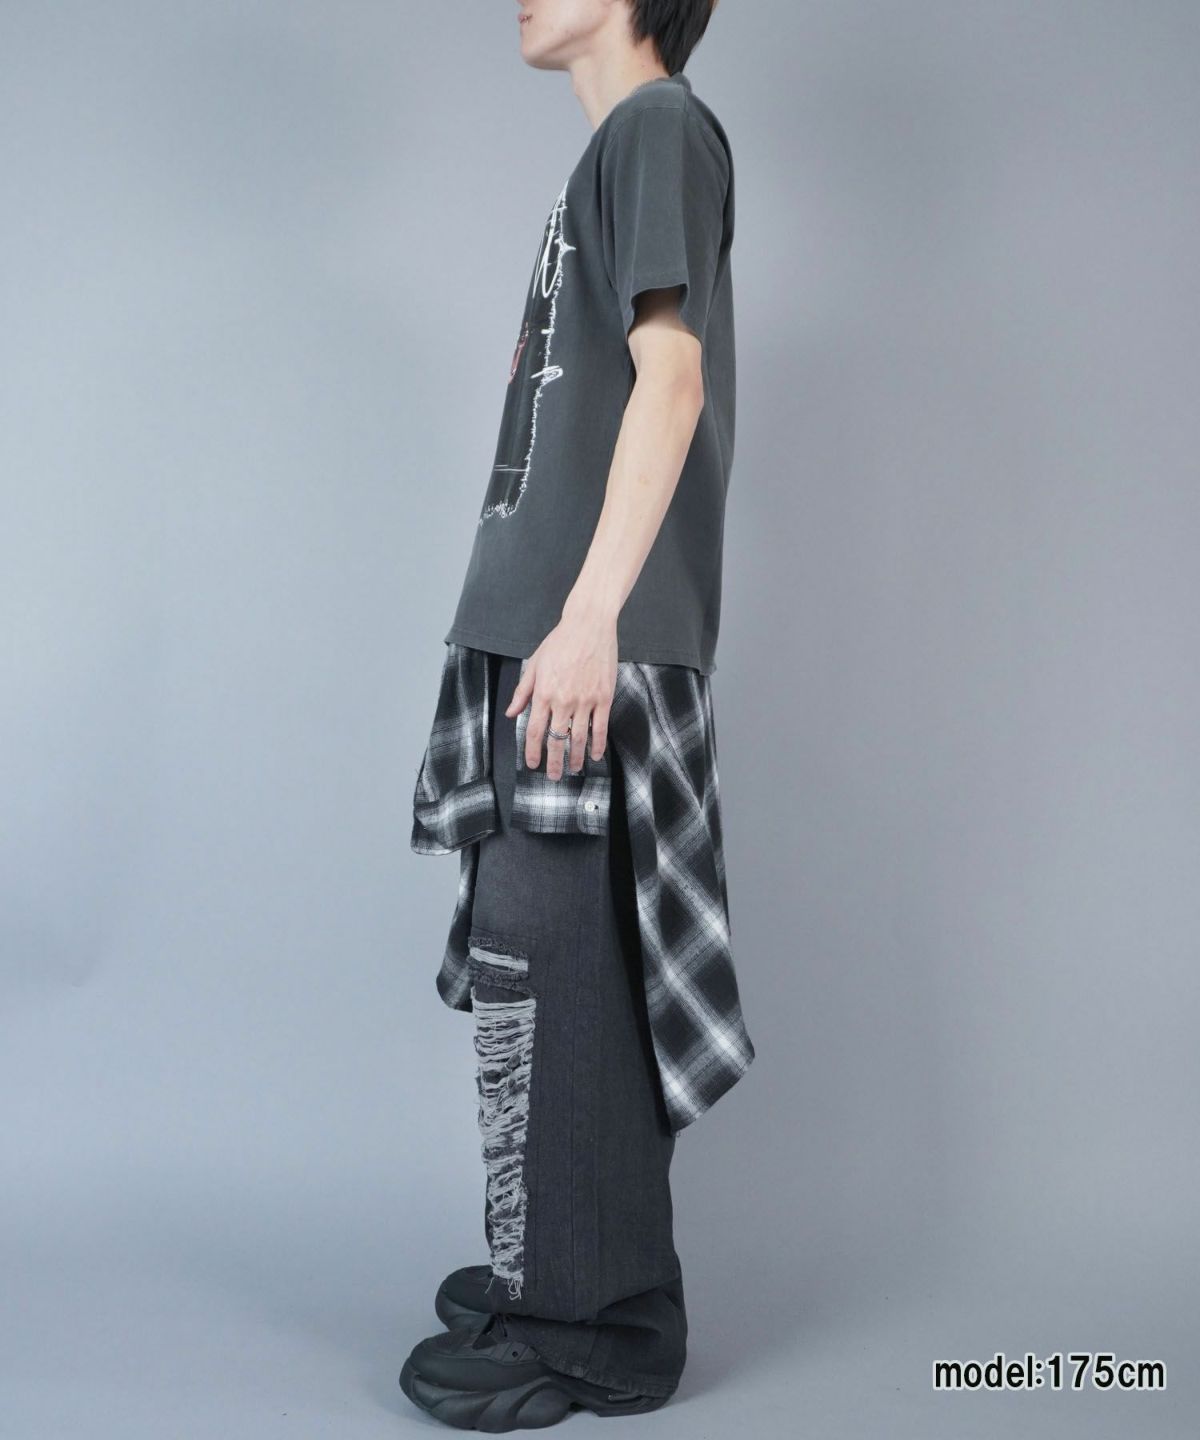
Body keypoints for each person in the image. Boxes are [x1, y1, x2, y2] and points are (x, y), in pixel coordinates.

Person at [400, 0, 756, 1428]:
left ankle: (591, 1325)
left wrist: (592, 617)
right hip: (547, 637)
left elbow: (674, 377)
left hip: (580, 644)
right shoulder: (617, 152)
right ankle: (566, 1269)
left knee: (552, 967)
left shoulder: (659, 128)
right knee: (552, 963)